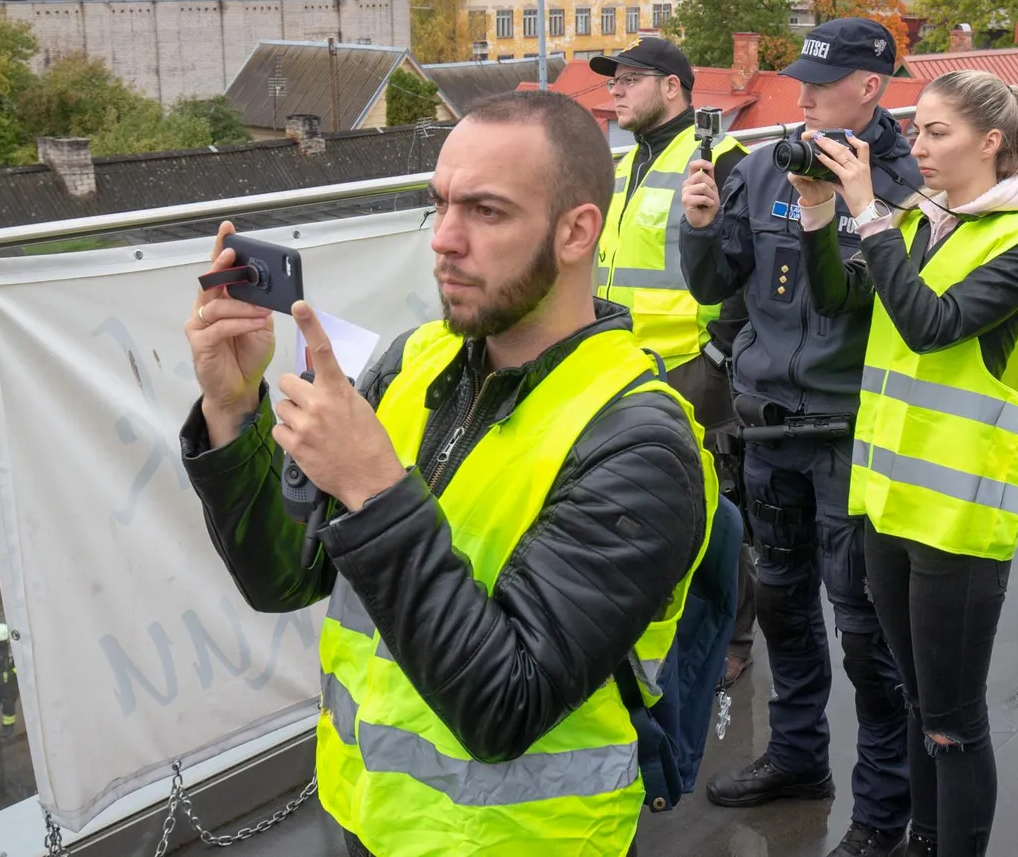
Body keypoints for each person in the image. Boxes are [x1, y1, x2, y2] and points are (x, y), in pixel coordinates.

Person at [181, 90, 716, 857]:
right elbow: (284, 579)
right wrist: (232, 417)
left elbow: (506, 705)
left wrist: (373, 490)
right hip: (370, 817)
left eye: (487, 212)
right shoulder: (409, 361)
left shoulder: (640, 441)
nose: (444, 240)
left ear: (576, 231)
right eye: (440, 206)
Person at [795, 69, 1018, 856]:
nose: (918, 146)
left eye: (937, 133)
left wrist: (868, 215)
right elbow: (835, 304)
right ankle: (920, 838)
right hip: (887, 504)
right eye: (916, 131)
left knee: (953, 720)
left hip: (958, 521)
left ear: (994, 143)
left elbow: (931, 325)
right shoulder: (920, 226)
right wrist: (818, 214)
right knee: (919, 704)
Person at [678, 17, 921, 857]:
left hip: (849, 432)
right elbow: (717, 283)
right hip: (767, 425)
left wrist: (838, 204)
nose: (804, 93)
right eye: (801, 78)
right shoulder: (768, 164)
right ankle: (796, 758)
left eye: (824, 81)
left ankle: (882, 813)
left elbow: (855, 301)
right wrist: (702, 222)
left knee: (864, 628)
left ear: (871, 87)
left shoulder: (903, 183)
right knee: (783, 604)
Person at [589, 37, 756, 684]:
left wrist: (718, 354)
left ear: (673, 88)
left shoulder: (720, 159)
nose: (617, 90)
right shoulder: (626, 164)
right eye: (614, 81)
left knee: (713, 509)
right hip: (625, 365)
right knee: (645, 502)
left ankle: (735, 640)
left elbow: (743, 265)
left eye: (631, 79)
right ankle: (658, 629)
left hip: (694, 366)